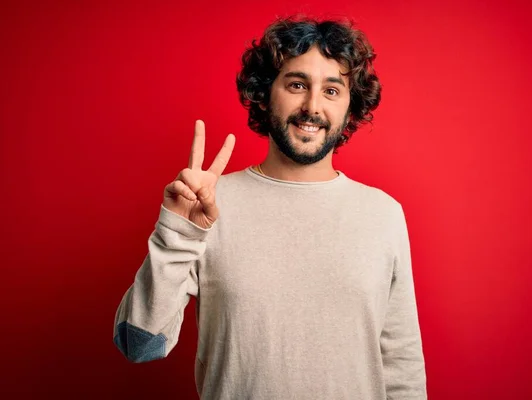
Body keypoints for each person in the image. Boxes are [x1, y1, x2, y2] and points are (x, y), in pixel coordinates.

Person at [113, 15, 427, 399]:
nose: (312, 106)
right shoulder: (207, 206)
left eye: (332, 90)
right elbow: (140, 345)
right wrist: (177, 233)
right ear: (265, 93)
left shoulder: (383, 215)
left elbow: (403, 370)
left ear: (350, 106)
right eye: (297, 84)